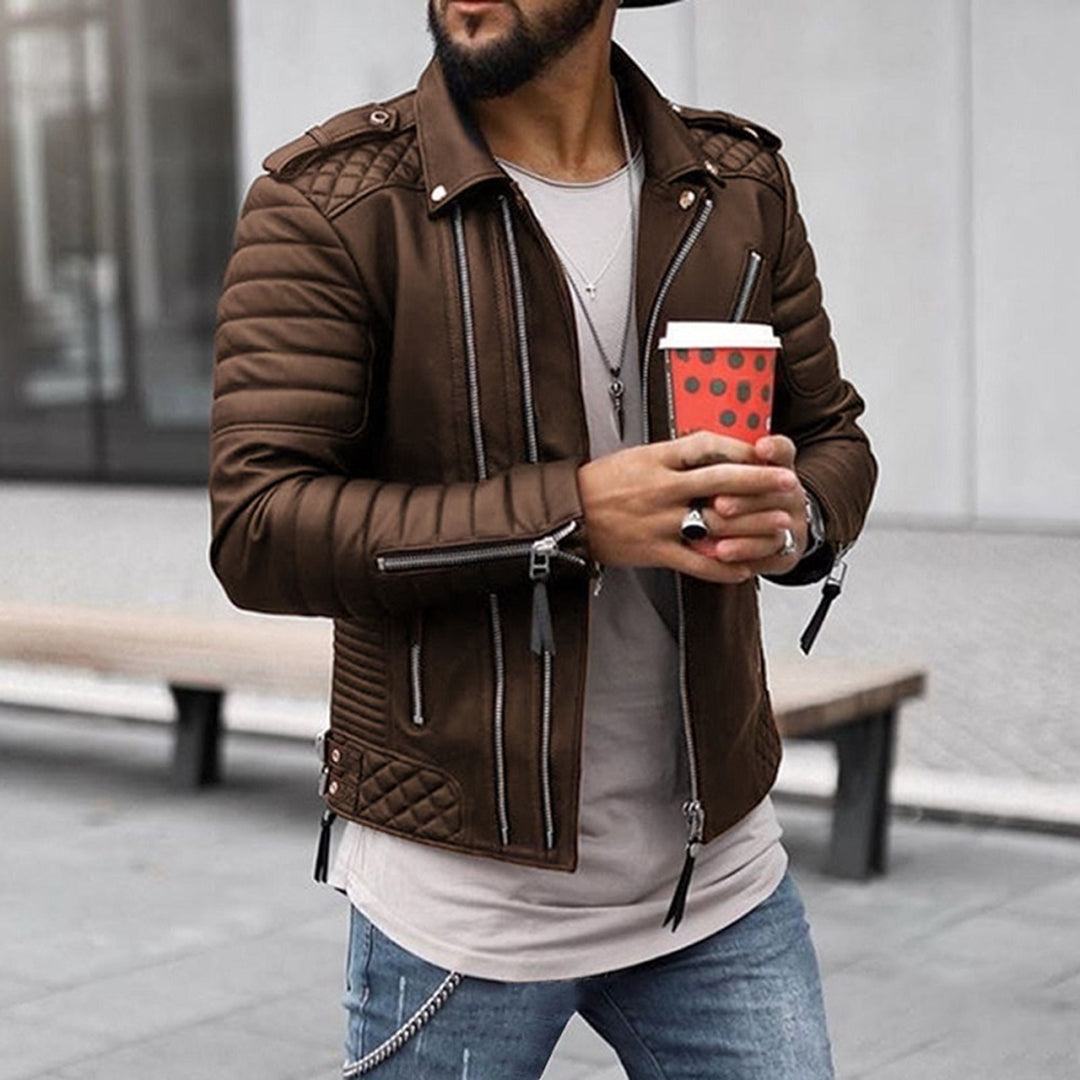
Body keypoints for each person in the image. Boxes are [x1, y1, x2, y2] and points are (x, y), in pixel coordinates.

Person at [209, 0, 877, 1076]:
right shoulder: (330, 203)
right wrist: (570, 519)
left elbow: (832, 434)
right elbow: (259, 525)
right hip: (460, 907)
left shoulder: (737, 184)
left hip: (718, 886)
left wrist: (797, 519)